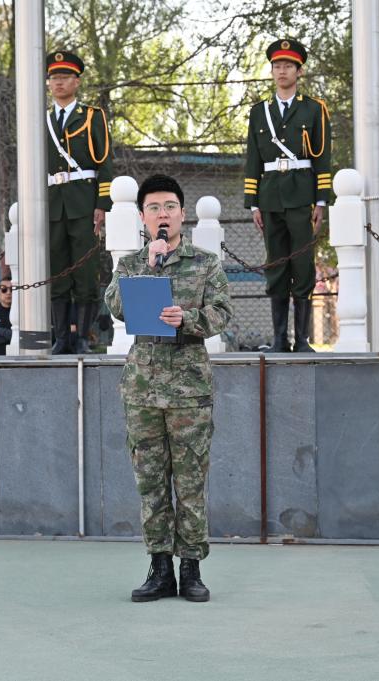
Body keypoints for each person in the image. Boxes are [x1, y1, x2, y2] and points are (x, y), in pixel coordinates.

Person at [104, 174, 233, 603]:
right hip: (142, 389)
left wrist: (188, 320)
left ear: (182, 213)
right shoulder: (131, 264)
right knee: (151, 482)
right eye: (155, 208)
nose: (163, 215)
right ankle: (159, 568)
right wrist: (149, 264)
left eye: (170, 207)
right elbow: (115, 306)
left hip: (189, 390)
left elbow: (222, 312)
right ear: (143, 217)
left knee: (190, 480)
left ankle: (191, 568)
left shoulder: (205, 263)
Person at [243, 38, 332, 353]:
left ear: (299, 71)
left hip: (301, 195)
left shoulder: (314, 109)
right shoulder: (259, 112)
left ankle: (303, 340)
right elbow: (253, 158)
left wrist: (321, 201)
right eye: (277, 66)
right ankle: (280, 338)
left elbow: (323, 157)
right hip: (270, 196)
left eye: (288, 66)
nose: (281, 71)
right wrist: (253, 203)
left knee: (303, 265)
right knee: (276, 265)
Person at [46, 50, 114, 354]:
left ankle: (84, 338)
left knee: (85, 273)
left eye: (64, 77)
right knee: (57, 273)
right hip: (52, 204)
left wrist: (102, 204)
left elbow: (105, 163)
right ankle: (61, 338)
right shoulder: (43, 120)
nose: (58, 83)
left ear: (77, 81)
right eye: (53, 78)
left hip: (84, 202)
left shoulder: (91, 116)